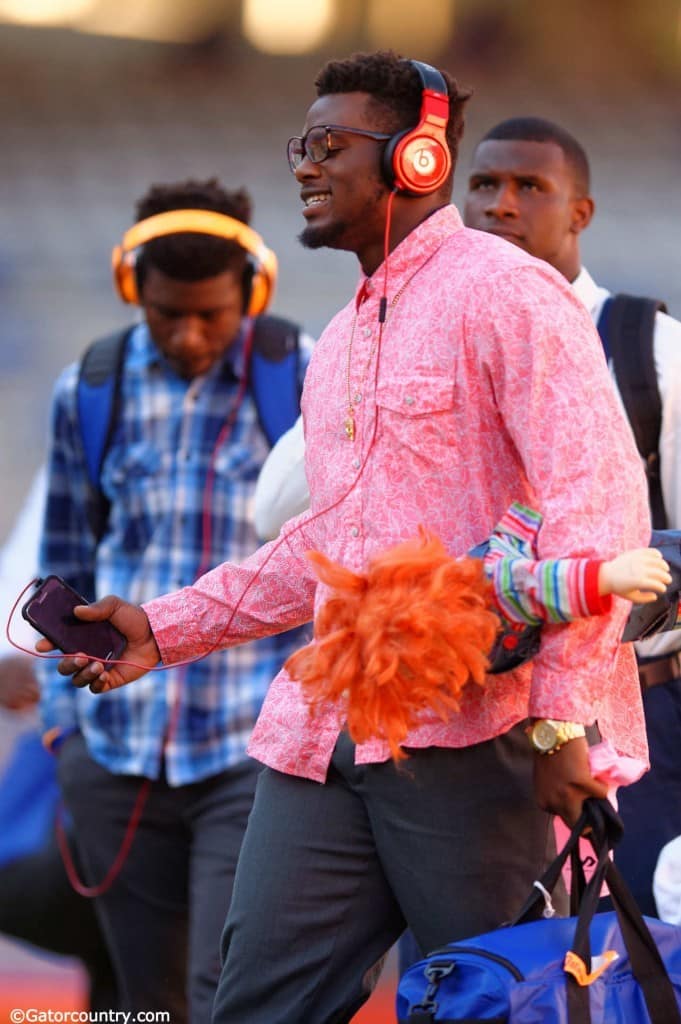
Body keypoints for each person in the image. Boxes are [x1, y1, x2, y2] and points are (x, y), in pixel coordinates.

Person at [47, 53, 650, 1023]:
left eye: (329, 145)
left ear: (417, 158)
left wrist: (561, 725)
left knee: (499, 1010)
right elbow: (319, 547)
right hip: (322, 738)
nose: (305, 164)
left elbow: (600, 510)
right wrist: (157, 631)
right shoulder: (344, 339)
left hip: (476, 738)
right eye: (302, 143)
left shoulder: (507, 293)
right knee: (251, 1005)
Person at [36, 179, 311, 1022]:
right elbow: (65, 558)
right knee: (144, 1001)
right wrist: (63, 722)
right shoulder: (89, 389)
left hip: (249, 749)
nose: (189, 335)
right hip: (116, 754)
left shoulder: (307, 382)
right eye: (166, 315)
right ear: (134, 290)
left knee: (224, 989)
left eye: (212, 316)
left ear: (251, 294)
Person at [463, 116, 681, 918]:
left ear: (579, 212)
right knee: (475, 970)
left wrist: (593, 584)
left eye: (529, 187)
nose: (501, 205)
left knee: (627, 960)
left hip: (633, 713)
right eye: (483, 185)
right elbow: (279, 505)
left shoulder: (649, 350)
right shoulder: (430, 330)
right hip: (464, 709)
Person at [0, 467, 117, 1010]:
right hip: (85, 754)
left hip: (216, 759)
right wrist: (10, 657)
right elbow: (28, 570)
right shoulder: (94, 399)